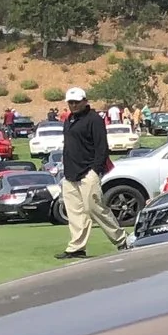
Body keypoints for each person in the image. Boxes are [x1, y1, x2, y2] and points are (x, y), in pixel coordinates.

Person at [56, 86, 126, 260]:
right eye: (70, 102)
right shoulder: (70, 119)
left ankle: (121, 239)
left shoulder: (94, 119)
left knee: (95, 208)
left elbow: (102, 147)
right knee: (75, 213)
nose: (73, 105)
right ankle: (77, 247)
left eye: (76, 102)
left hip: (88, 171)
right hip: (70, 173)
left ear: (85, 101)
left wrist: (95, 170)